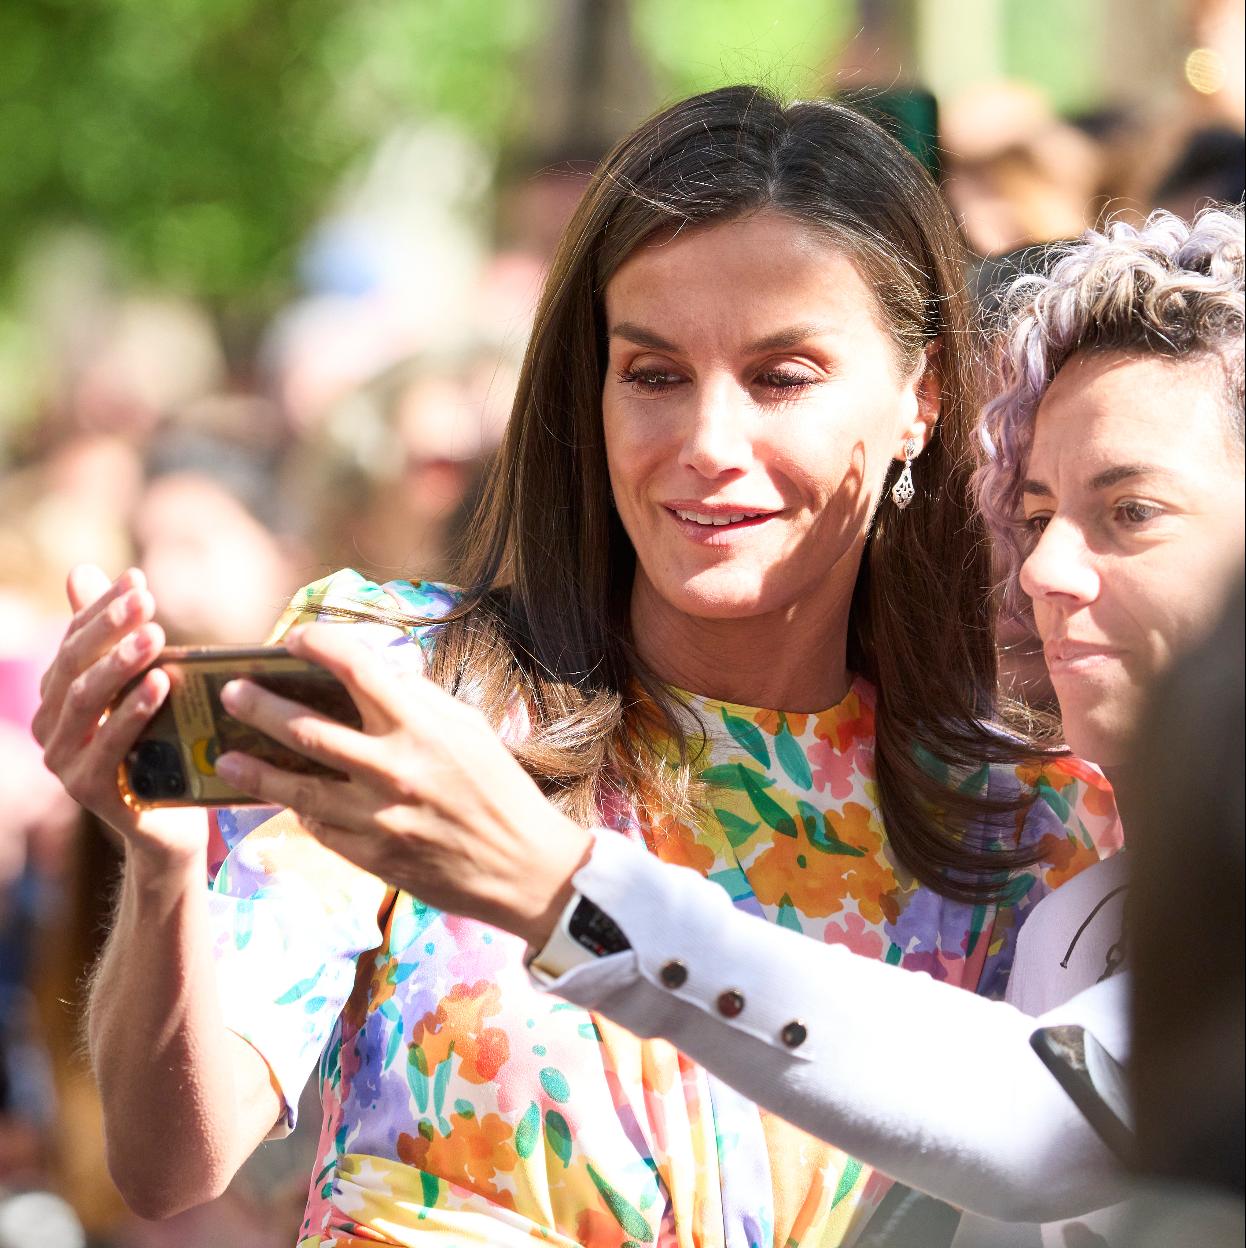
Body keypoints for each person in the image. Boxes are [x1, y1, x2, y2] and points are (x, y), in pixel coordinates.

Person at [37, 87, 1119, 1245]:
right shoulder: (410, 684)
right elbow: (167, 1163)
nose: (707, 444)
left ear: (922, 396)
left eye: (781, 375)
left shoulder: (1019, 814)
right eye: (653, 373)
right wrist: (160, 869)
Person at [218, 203, 1243, 1241]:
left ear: (913, 402)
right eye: (1032, 517)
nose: (1045, 570)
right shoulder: (1079, 912)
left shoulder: (1033, 843)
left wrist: (562, 892)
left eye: (1131, 513)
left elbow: (1032, 1126)